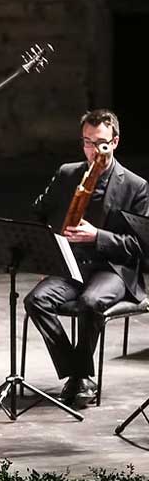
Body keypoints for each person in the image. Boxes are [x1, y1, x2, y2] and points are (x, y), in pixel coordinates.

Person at [23, 109, 148, 408]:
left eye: (100, 143)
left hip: (113, 270)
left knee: (90, 303)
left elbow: (139, 246)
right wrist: (47, 255)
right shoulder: (68, 173)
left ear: (114, 142)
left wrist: (96, 236)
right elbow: (38, 214)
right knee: (35, 300)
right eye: (86, 142)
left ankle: (78, 377)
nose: (92, 150)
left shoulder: (136, 186)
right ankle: (78, 373)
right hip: (73, 265)